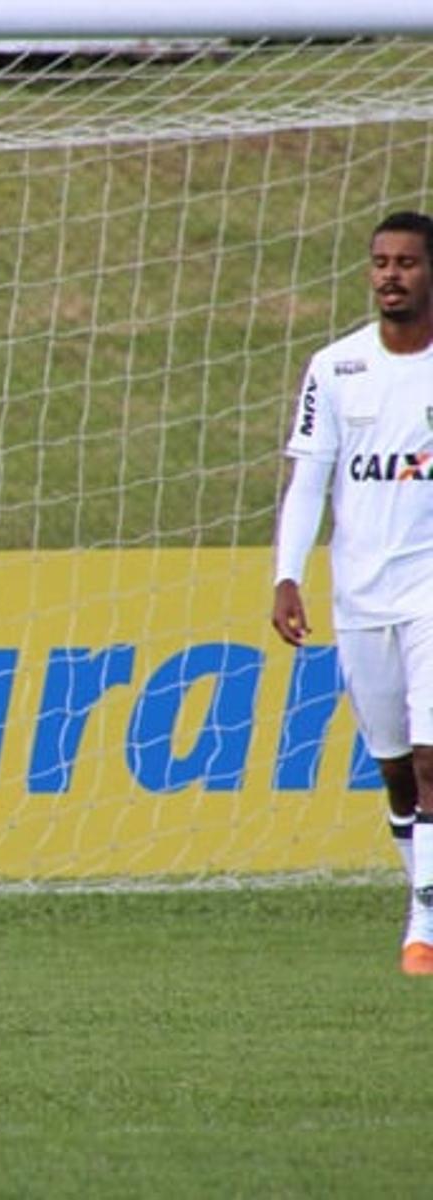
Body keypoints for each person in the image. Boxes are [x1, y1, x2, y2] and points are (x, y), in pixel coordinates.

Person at [272, 209, 433, 974]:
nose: (390, 275)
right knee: (395, 766)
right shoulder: (335, 368)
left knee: (432, 759)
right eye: (380, 262)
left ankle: (421, 930)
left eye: (405, 262)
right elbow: (310, 481)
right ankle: (426, 895)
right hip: (360, 593)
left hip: (429, 588)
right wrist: (286, 574)